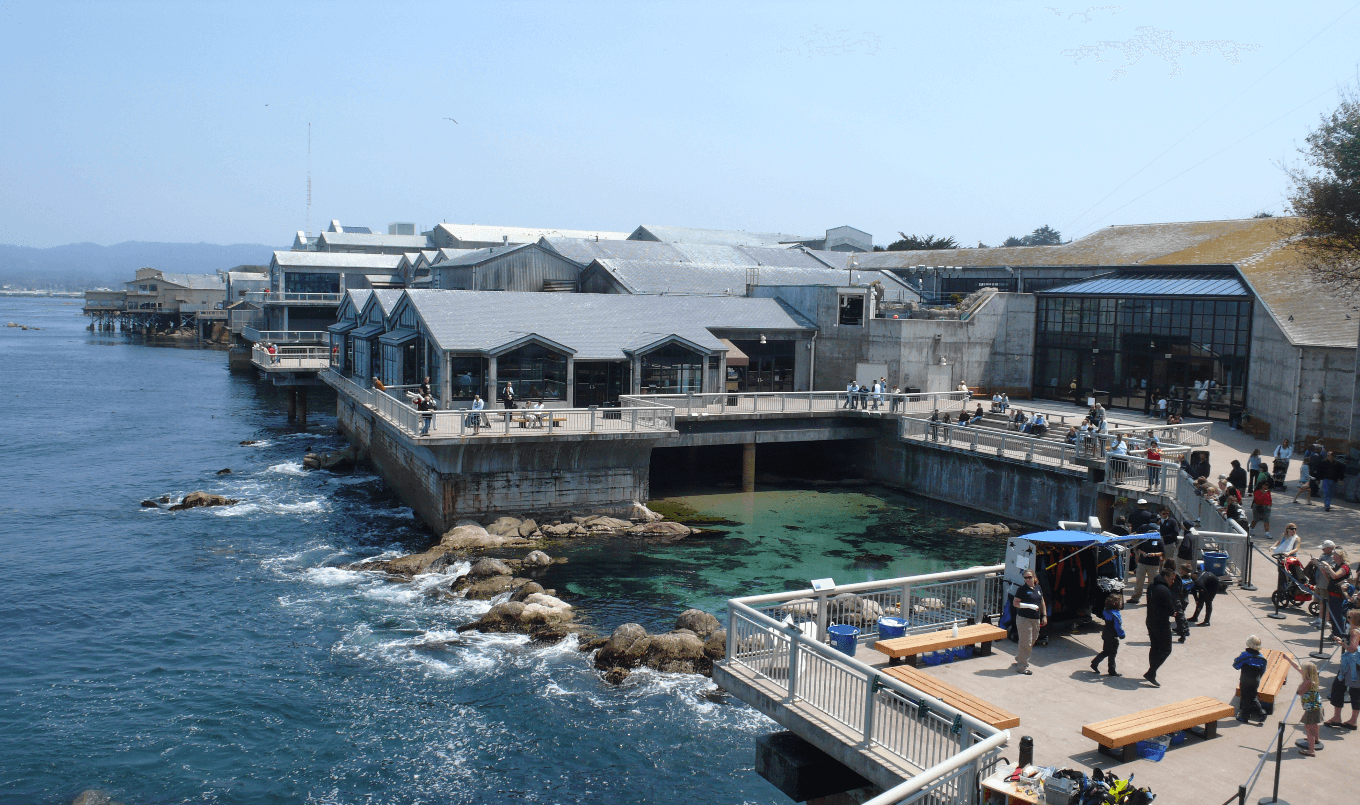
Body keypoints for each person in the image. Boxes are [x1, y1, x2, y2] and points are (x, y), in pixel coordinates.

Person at [1324, 610, 1360, 729]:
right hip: (1356, 666)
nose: (1347, 619)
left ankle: (1337, 717)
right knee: (1355, 692)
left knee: (1338, 688)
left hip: (1351, 666)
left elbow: (1353, 648)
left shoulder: (1355, 631)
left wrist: (1342, 644)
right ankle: (1353, 720)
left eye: (1349, 617)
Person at [1143, 561, 1177, 687]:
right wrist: (1173, 613)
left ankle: (1152, 671)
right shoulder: (1164, 590)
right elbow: (1169, 610)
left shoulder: (1151, 587)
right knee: (1166, 649)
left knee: (1154, 647)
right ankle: (1151, 672)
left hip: (1150, 621)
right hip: (1161, 623)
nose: (1172, 581)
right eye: (1171, 578)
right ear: (1165, 577)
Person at [1283, 657, 1324, 755]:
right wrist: (1288, 659)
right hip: (1316, 707)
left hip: (1311, 709)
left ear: (1306, 672)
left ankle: (1311, 750)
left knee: (1308, 727)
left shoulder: (1307, 682)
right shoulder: (1312, 677)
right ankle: (1316, 739)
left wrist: (1299, 688)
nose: (1301, 670)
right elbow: (1297, 667)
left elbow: (1300, 692)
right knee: (1314, 725)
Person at [1012, 570, 1047, 675]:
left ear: (1034, 577)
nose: (1028, 579)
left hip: (1035, 620)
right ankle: (1022, 667)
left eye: (1029, 577)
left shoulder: (1038, 588)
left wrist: (1044, 615)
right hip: (1024, 619)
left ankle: (1020, 658)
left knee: (1032, 640)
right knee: (1026, 643)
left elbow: (1042, 602)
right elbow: (1016, 603)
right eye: (1025, 578)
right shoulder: (1022, 590)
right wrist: (1029, 606)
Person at [1233, 636, 1269, 724]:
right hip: (1256, 679)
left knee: (1245, 696)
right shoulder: (1262, 658)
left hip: (1245, 678)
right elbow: (1263, 670)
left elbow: (1236, 665)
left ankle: (1244, 716)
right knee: (1252, 696)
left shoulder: (1245, 655)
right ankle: (1261, 713)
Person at [1127, 518, 1164, 605]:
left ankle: (1151, 599)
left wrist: (1154, 554)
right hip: (1142, 563)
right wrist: (1143, 553)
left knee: (1152, 583)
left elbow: (1162, 552)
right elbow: (1138, 548)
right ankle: (1135, 598)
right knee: (1139, 581)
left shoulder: (1159, 540)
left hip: (1154, 565)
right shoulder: (1144, 539)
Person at [1091, 593, 1125, 676]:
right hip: (1113, 636)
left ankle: (1094, 663)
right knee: (1112, 653)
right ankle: (1112, 670)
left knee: (1106, 651)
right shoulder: (1116, 614)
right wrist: (1122, 634)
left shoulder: (1106, 611)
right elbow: (1117, 626)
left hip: (1106, 633)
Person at [1321, 548, 1352, 637]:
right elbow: (1330, 579)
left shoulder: (1344, 566)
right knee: (1332, 616)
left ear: (1340, 556)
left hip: (1339, 596)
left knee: (1338, 616)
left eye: (1335, 555)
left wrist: (1328, 567)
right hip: (1332, 595)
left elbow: (1335, 576)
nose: (1333, 557)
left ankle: (1339, 635)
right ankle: (1334, 634)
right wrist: (1324, 571)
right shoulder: (1337, 566)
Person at [1270, 524, 1301, 591]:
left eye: (1295, 529)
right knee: (1281, 572)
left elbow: (1296, 549)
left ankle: (1288, 587)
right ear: (1287, 529)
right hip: (1281, 556)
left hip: (1291, 558)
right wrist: (1273, 546)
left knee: (1288, 573)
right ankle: (1281, 588)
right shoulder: (1283, 535)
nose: (1294, 530)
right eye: (1292, 529)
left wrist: (1288, 553)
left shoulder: (1297, 538)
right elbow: (1279, 542)